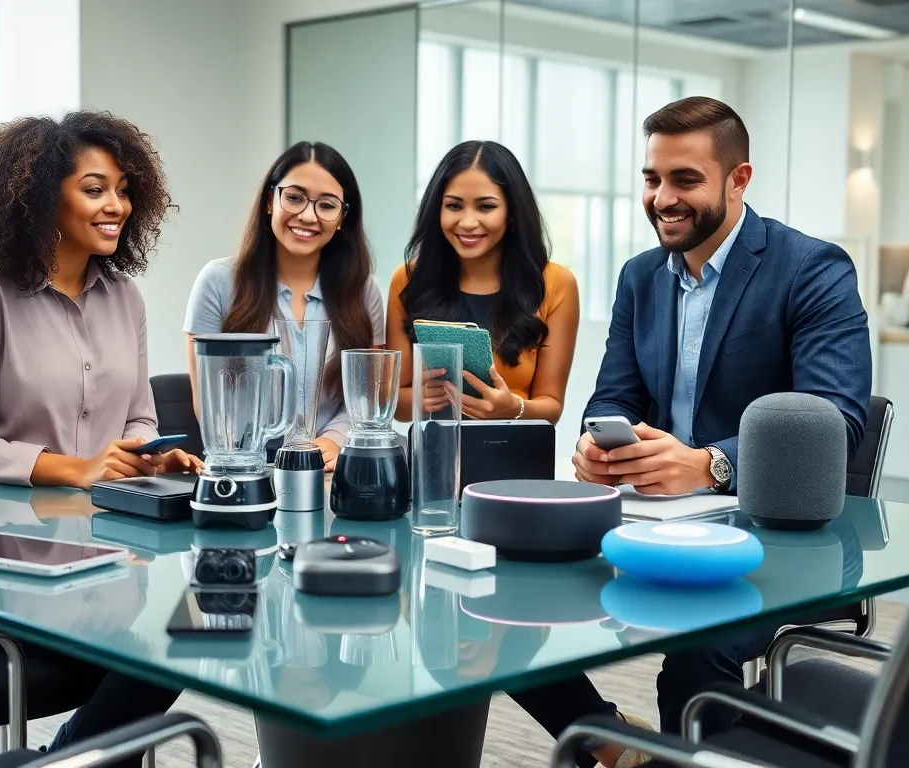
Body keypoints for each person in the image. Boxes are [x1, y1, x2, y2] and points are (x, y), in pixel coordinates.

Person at [550, 96, 872, 765]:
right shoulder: (640, 277)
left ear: (738, 179)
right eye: (652, 179)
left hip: (775, 542)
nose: (663, 198)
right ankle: (610, 739)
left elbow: (835, 425)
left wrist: (711, 465)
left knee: (695, 661)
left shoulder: (812, 268)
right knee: (513, 603)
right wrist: (596, 445)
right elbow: (611, 396)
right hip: (652, 525)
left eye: (685, 179)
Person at [0, 110, 201, 765]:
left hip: (90, 552)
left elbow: (138, 418)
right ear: (43, 197)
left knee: (200, 622)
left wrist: (147, 456)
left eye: (123, 190)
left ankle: (66, 759)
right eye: (95, 189)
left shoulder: (125, 297)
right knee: (162, 641)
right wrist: (78, 467)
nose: (116, 206)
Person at [183, 141, 385, 469]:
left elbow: (366, 395)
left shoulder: (363, 291)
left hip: (328, 469)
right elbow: (208, 403)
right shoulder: (218, 281)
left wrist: (334, 440)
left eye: (327, 205)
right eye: (294, 197)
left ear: (342, 218)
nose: (307, 215)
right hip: (243, 468)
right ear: (269, 201)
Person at [386, 140, 579, 424]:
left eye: (486, 207)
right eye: (454, 206)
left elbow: (551, 408)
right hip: (435, 448)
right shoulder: (407, 279)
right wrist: (420, 396)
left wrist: (513, 408)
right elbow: (396, 406)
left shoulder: (556, 283)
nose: (467, 222)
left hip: (515, 448)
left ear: (512, 213)